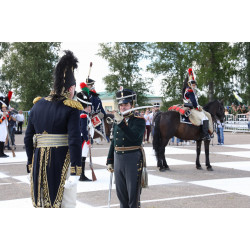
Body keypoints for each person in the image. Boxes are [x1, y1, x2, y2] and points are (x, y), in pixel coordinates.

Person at [24, 50, 83, 208]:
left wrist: (31, 162)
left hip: (38, 161)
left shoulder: (37, 105)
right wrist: (76, 170)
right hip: (61, 161)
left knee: (42, 204)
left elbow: (28, 138)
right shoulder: (71, 107)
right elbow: (74, 140)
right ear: (71, 88)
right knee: (66, 204)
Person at [106, 87, 146, 208]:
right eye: (121, 104)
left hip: (132, 158)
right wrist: (110, 160)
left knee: (133, 196)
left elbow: (134, 137)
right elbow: (113, 142)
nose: (123, 107)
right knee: (121, 195)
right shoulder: (118, 120)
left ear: (131, 104)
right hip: (118, 159)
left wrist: (122, 123)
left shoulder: (139, 121)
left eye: (126, 104)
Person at [182, 68, 211, 140]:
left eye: (194, 84)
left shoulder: (189, 90)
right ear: (189, 84)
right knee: (205, 118)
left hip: (191, 106)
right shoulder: (190, 91)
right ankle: (205, 135)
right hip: (192, 107)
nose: (194, 85)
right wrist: (198, 107)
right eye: (193, 84)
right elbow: (194, 103)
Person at [76, 89, 93, 182]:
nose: (90, 108)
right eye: (88, 106)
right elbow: (83, 129)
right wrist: (87, 140)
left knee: (82, 156)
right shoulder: (83, 115)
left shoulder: (84, 114)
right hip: (83, 138)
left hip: (83, 138)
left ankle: (81, 174)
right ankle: (82, 175)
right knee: (82, 156)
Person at [86, 77, 107, 144]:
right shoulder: (89, 95)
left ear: (91, 85)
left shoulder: (92, 95)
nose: (87, 86)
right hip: (93, 113)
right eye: (87, 85)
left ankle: (95, 138)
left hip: (97, 113)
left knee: (92, 124)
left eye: (88, 85)